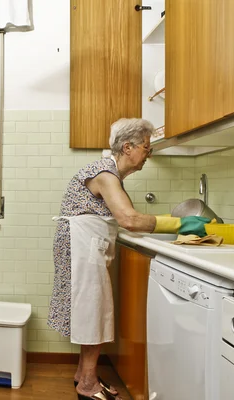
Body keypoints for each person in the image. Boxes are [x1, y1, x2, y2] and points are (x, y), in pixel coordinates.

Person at [47, 118, 210, 400]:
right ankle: (87, 385)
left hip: (84, 246)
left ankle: (83, 376)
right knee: (91, 311)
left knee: (92, 310)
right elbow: (129, 219)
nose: (148, 153)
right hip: (81, 247)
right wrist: (181, 224)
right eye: (146, 147)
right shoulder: (105, 175)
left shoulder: (110, 175)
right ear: (128, 147)